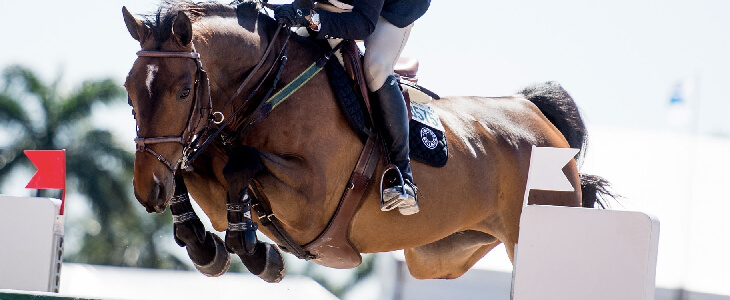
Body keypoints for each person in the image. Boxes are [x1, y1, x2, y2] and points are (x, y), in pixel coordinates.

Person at [275, 0, 430, 215]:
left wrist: (311, 18)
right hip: (350, 3)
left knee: (376, 68)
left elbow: (363, 25)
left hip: (394, 9)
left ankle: (402, 175)